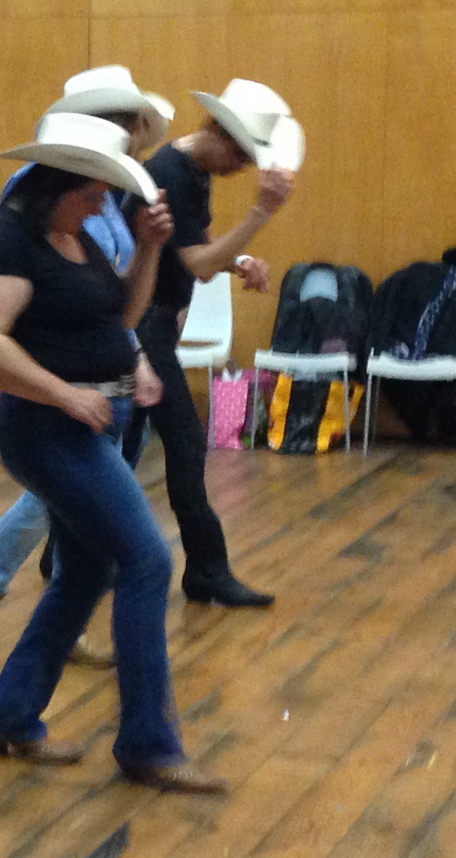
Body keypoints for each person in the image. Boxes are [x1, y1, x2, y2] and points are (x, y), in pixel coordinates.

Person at [0, 111, 226, 794]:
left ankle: (10, 715)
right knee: (147, 560)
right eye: (92, 192)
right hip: (48, 427)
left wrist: (148, 250)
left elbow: (122, 318)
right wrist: (62, 394)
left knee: (87, 572)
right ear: (58, 182)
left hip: (92, 419)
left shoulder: (73, 235)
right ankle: (147, 745)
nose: (101, 204)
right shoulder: (5, 241)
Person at [0, 66, 172, 665]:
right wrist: (64, 391)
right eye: (128, 125)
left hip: (100, 399)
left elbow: (104, 304)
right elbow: (5, 318)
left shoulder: (102, 200)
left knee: (79, 537)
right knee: (83, 526)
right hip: (54, 406)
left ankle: (43, 641)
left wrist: (134, 354)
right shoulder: (37, 205)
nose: (135, 136)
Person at [121, 79, 302, 608]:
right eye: (240, 155)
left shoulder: (192, 172)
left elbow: (194, 248)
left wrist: (239, 260)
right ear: (218, 131)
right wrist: (260, 214)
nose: (241, 168)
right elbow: (199, 265)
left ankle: (64, 556)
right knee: (184, 442)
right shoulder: (169, 174)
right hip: (144, 326)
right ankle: (206, 569)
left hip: (153, 325)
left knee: (118, 448)